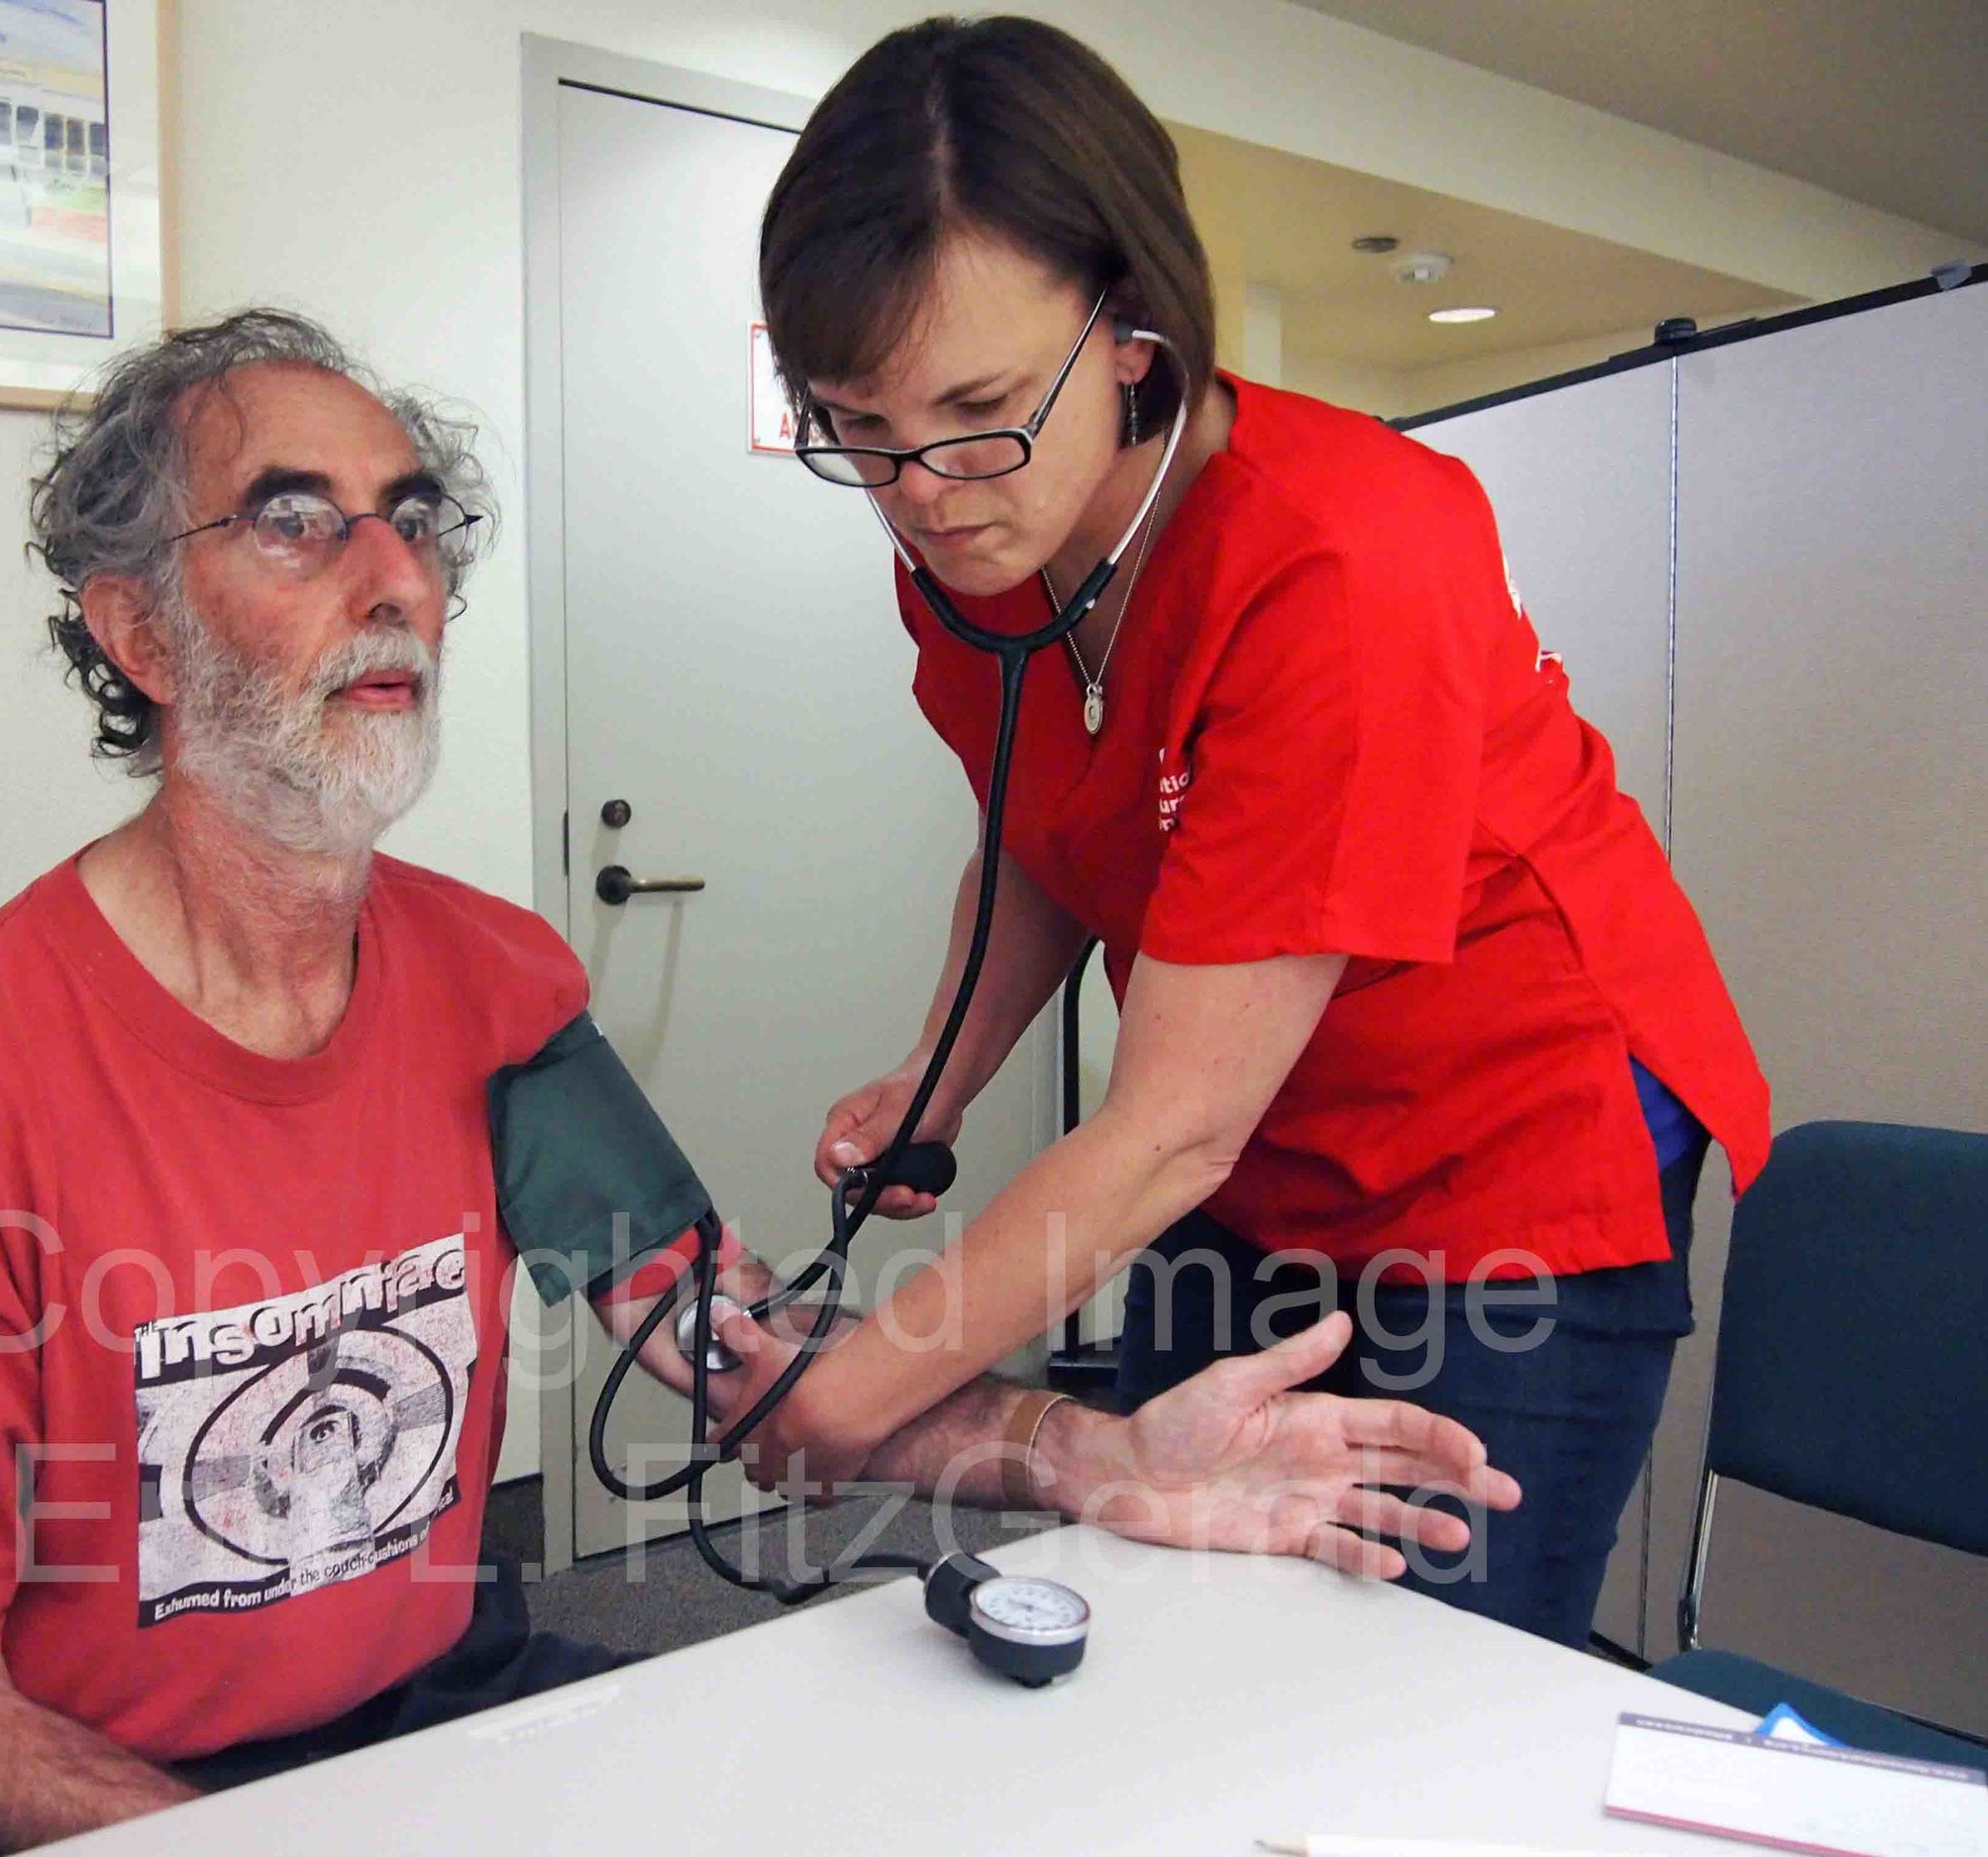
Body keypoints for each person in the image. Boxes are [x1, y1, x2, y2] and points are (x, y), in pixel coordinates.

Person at [0, 309, 1517, 1854]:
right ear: (134, 630)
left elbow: (742, 1366)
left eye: (414, 521)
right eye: (297, 520)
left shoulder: (492, 987)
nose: (395, 579)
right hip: (115, 1798)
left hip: (446, 1727)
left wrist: (1090, 1454)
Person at [726, 16, 1769, 1650]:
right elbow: (1048, 824)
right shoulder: (984, 539)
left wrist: (852, 1388)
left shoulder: (1343, 566)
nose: (917, 489)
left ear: (1132, 327)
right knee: (1168, 1585)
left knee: (1416, 1674)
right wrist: (937, 1083)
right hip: (1250, 1139)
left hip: (1505, 1148)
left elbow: (1165, 1136)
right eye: (854, 425)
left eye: (975, 408)